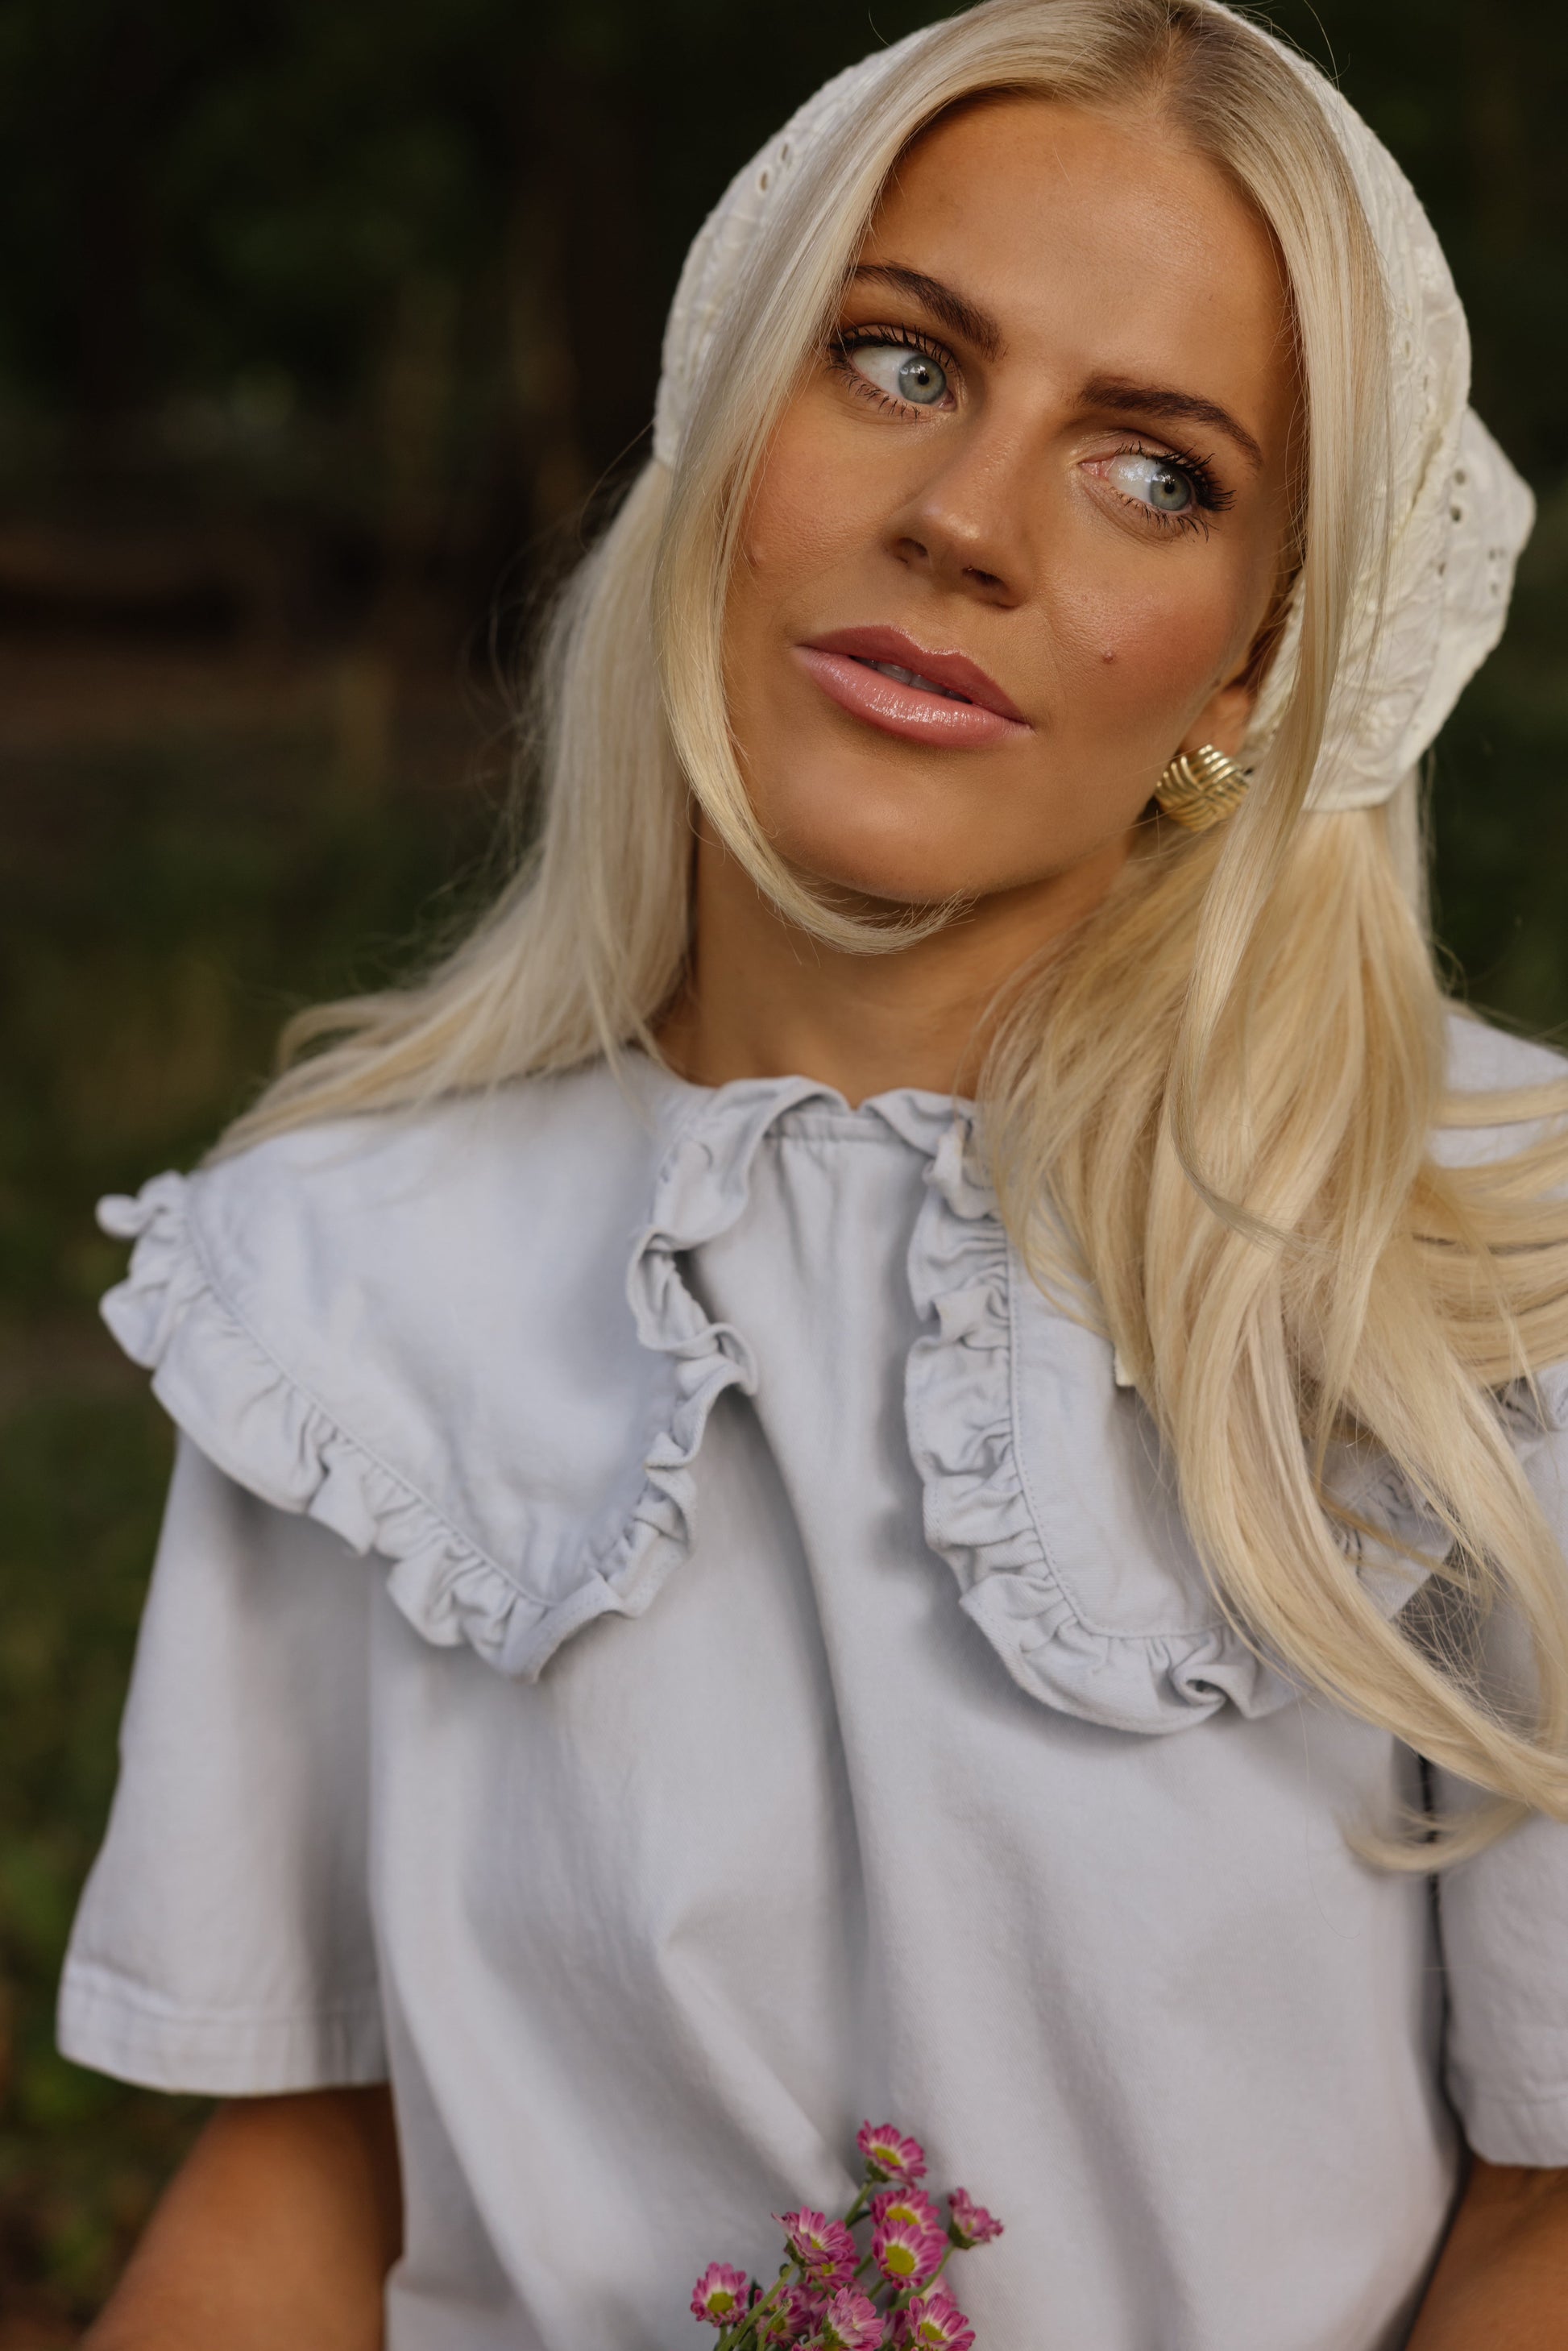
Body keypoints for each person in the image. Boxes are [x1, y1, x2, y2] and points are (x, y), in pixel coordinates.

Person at [60, 1, 1568, 2344]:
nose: (964, 519)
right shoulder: (341, 1295)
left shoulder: (1492, 1273)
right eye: (895, 360)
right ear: (728, 414)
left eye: (1155, 471)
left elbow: (1550, 2222)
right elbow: (300, 2187)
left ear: (1261, 664)